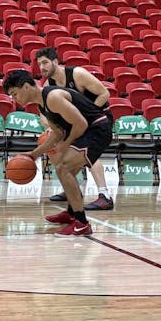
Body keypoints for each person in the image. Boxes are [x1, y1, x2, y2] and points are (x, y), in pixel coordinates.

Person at [2, 70, 113, 237]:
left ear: (26, 87)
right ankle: (71, 213)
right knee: (65, 169)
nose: (14, 99)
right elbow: (58, 133)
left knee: (63, 168)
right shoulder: (42, 104)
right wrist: (34, 154)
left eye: (14, 93)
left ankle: (81, 223)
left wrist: (65, 145)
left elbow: (81, 124)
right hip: (87, 130)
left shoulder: (52, 97)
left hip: (97, 129)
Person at [35, 47, 114, 211]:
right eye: (39, 64)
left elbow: (104, 94)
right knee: (63, 151)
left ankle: (105, 195)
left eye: (45, 62)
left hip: (100, 118)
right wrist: (51, 127)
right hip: (78, 122)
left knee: (87, 151)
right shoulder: (49, 85)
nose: (42, 67)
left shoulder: (77, 74)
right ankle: (71, 188)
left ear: (55, 62)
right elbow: (43, 115)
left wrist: (88, 116)